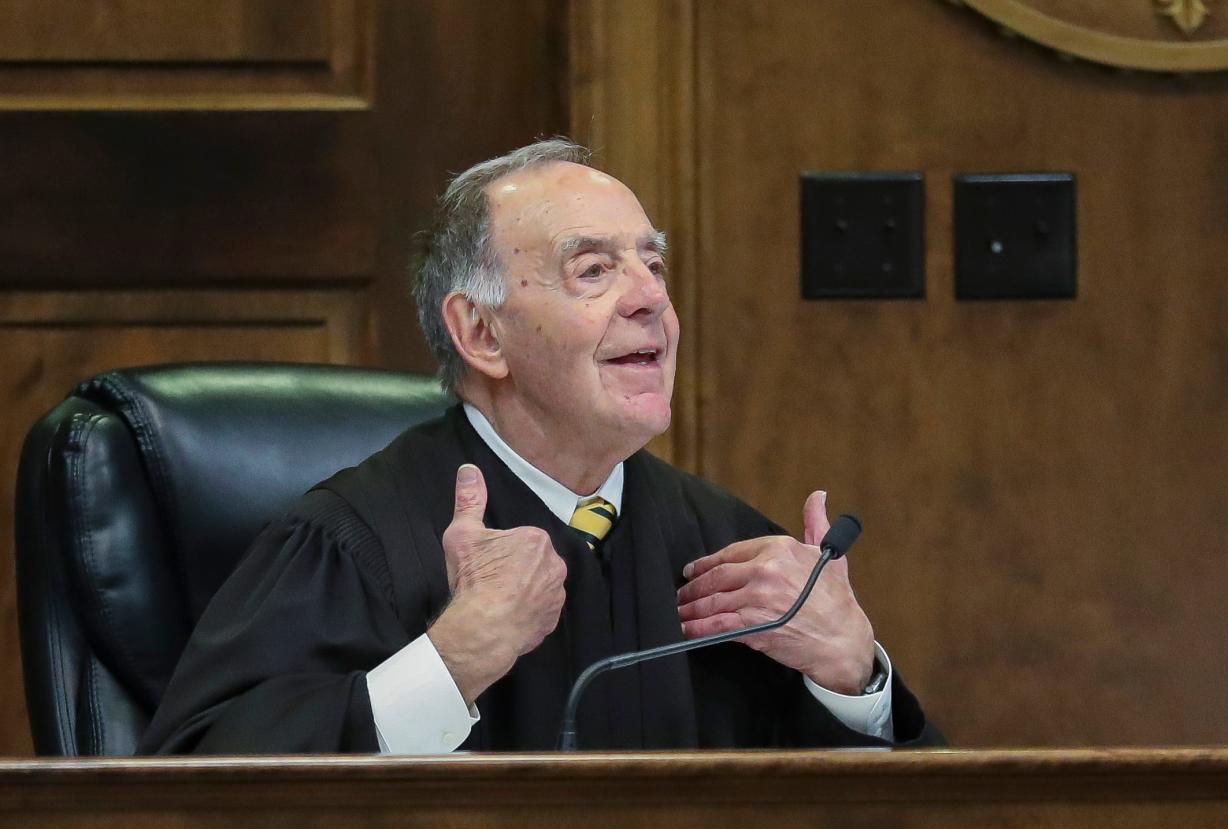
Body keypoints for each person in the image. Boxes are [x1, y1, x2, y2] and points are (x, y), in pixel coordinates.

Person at [141, 139, 938, 753]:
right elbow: (188, 802)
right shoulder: (355, 542)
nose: (652, 298)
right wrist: (448, 663)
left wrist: (852, 674)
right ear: (482, 332)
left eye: (653, 265)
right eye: (594, 270)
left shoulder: (725, 550)